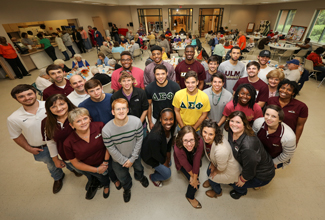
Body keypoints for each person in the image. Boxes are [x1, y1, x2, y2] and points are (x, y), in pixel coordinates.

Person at [7, 84, 64, 194]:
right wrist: (28, 148)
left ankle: (74, 169)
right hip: (41, 147)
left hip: (60, 141)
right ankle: (58, 178)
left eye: (29, 94)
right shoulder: (13, 118)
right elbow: (15, 135)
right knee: (51, 164)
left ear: (35, 93)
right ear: (16, 99)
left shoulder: (51, 105)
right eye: (21, 96)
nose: (27, 98)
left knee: (68, 159)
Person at [64, 108, 121, 199]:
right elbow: (76, 163)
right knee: (101, 177)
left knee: (111, 170)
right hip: (91, 166)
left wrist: (105, 162)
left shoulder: (100, 126)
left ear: (90, 119)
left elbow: (109, 145)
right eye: (78, 121)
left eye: (85, 118)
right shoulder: (68, 143)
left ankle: (115, 180)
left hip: (107, 158)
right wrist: (97, 170)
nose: (83, 123)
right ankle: (106, 185)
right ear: (72, 125)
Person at [102, 98, 149, 203]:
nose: (121, 111)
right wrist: (123, 161)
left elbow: (139, 140)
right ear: (113, 112)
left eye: (124, 108)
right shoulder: (106, 130)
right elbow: (111, 148)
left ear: (128, 110)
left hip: (134, 155)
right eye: (118, 109)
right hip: (118, 159)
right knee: (122, 176)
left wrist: (132, 158)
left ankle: (140, 177)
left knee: (139, 168)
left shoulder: (136, 122)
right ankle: (127, 187)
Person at [225, 111, 275, 199]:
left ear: (244, 124)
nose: (234, 124)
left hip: (261, 174)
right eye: (232, 121)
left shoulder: (248, 146)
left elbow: (250, 169)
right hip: (248, 164)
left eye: (238, 122)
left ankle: (241, 191)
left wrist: (242, 180)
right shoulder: (232, 130)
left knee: (233, 182)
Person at [41, 94, 84, 190]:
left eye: (61, 104)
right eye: (53, 106)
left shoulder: (79, 115)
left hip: (87, 153)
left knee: (93, 170)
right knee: (81, 170)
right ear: (49, 109)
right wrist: (55, 159)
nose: (59, 108)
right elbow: (50, 142)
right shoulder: (46, 122)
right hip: (68, 156)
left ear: (67, 103)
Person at [200, 119, 242, 198]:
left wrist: (215, 171)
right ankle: (212, 181)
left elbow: (222, 168)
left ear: (215, 134)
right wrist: (212, 163)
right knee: (209, 170)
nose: (206, 136)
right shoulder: (210, 140)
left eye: (211, 134)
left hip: (228, 170)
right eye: (205, 132)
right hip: (219, 162)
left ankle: (217, 192)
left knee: (211, 175)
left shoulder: (221, 150)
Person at [267, 79, 308, 145]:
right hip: (269, 133)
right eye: (282, 88)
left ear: (293, 93)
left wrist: (295, 141)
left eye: (289, 90)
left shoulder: (301, 106)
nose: (284, 91)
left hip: (286, 137)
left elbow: (300, 125)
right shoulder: (271, 100)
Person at [174, 126, 204, 208]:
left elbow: (197, 161)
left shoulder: (200, 141)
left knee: (195, 181)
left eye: (191, 140)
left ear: (195, 138)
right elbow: (185, 165)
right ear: (181, 140)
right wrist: (194, 178)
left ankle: (190, 194)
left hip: (193, 158)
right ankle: (189, 196)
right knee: (195, 185)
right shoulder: (177, 147)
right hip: (183, 163)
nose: (189, 144)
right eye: (185, 141)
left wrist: (194, 178)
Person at [146, 64, 180, 130]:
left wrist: (177, 120)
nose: (160, 76)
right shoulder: (149, 88)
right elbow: (149, 106)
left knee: (172, 138)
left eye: (163, 74)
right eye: (157, 74)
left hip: (171, 118)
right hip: (156, 118)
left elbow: (178, 107)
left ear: (167, 73)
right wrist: (150, 122)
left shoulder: (175, 86)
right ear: (154, 75)